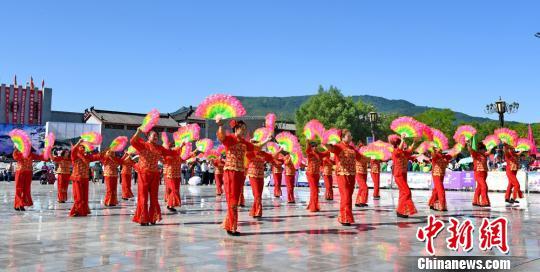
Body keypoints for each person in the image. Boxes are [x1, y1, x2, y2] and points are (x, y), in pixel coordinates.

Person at [130, 128, 177, 226]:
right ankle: (143, 219)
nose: (156, 137)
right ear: (148, 136)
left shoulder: (159, 148)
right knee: (143, 197)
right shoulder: (143, 145)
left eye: (157, 136)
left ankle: (153, 217)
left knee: (154, 197)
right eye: (154, 135)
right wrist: (138, 131)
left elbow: (170, 153)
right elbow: (133, 141)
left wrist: (181, 146)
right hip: (143, 174)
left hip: (155, 174)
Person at [216, 118, 254, 236]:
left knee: (235, 201)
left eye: (245, 130)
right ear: (236, 129)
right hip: (230, 172)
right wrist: (221, 125)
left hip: (239, 173)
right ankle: (232, 227)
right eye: (242, 129)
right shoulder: (230, 139)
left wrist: (266, 140)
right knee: (232, 200)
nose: (244, 132)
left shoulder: (244, 142)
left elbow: (255, 148)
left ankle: (229, 224)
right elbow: (221, 137)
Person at [324, 129, 361, 226]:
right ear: (343, 137)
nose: (351, 137)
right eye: (348, 136)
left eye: (351, 136)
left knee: (348, 197)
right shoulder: (338, 147)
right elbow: (329, 148)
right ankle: (345, 218)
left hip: (352, 175)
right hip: (342, 175)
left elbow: (361, 158)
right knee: (346, 196)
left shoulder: (352, 149)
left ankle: (343, 216)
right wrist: (324, 141)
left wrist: (378, 156)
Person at [389, 134, 417, 218]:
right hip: (398, 175)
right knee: (407, 192)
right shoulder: (395, 152)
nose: (404, 144)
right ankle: (401, 210)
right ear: (398, 144)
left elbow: (410, 150)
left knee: (402, 193)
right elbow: (398, 150)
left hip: (404, 175)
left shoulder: (404, 153)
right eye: (402, 143)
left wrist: (414, 142)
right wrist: (402, 139)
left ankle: (400, 211)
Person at [70, 140, 101, 216]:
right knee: (78, 196)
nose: (82, 148)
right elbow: (73, 150)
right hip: (77, 178)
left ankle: (83, 210)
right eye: (81, 147)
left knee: (84, 196)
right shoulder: (75, 156)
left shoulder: (87, 157)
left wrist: (106, 152)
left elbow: (97, 156)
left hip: (85, 178)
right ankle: (77, 211)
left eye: (83, 147)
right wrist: (78, 142)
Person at [246, 138, 274, 218]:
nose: (259, 145)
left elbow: (272, 158)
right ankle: (258, 211)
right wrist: (250, 142)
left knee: (258, 194)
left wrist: (277, 151)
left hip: (261, 175)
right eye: (256, 144)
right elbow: (246, 150)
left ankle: (254, 211)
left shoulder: (263, 153)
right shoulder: (250, 152)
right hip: (253, 175)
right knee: (257, 194)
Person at [428, 147, 454, 212]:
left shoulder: (445, 156)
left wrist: (459, 146)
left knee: (436, 190)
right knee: (441, 190)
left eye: (440, 147)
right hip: (436, 175)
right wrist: (433, 149)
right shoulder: (435, 156)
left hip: (441, 175)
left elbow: (454, 153)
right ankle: (442, 206)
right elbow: (433, 153)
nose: (440, 148)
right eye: (438, 147)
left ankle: (431, 203)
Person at [466, 140, 491, 207]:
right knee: (484, 186)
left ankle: (475, 201)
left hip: (484, 173)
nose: (484, 150)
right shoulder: (475, 154)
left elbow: (489, 151)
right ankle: (484, 201)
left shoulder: (485, 155)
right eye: (483, 149)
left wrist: (491, 145)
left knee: (479, 187)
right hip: (478, 173)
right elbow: (470, 150)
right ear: (480, 150)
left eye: (484, 149)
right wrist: (468, 144)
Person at [305, 141, 328, 212]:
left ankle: (311, 204)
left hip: (316, 174)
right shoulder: (310, 154)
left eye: (316, 146)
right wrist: (307, 142)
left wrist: (324, 146)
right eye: (313, 146)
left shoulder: (319, 154)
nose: (315, 147)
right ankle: (313, 207)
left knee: (314, 190)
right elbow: (307, 150)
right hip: (310, 174)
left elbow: (327, 152)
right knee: (314, 190)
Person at [354, 142, 370, 207]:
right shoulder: (357, 155)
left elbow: (369, 160)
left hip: (364, 173)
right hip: (358, 173)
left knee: (361, 188)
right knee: (365, 188)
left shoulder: (366, 156)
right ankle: (362, 201)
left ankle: (358, 202)